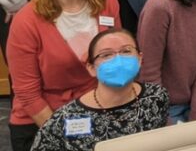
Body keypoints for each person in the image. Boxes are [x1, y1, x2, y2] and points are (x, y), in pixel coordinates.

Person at [7, 0, 120, 151]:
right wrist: (69, 140)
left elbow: (114, 61)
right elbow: (28, 95)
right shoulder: (27, 21)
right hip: (41, 120)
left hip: (95, 109)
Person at [30, 29, 169, 151]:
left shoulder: (156, 98)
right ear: (91, 68)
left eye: (126, 51)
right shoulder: (67, 118)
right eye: (106, 55)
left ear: (139, 59)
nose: (118, 60)